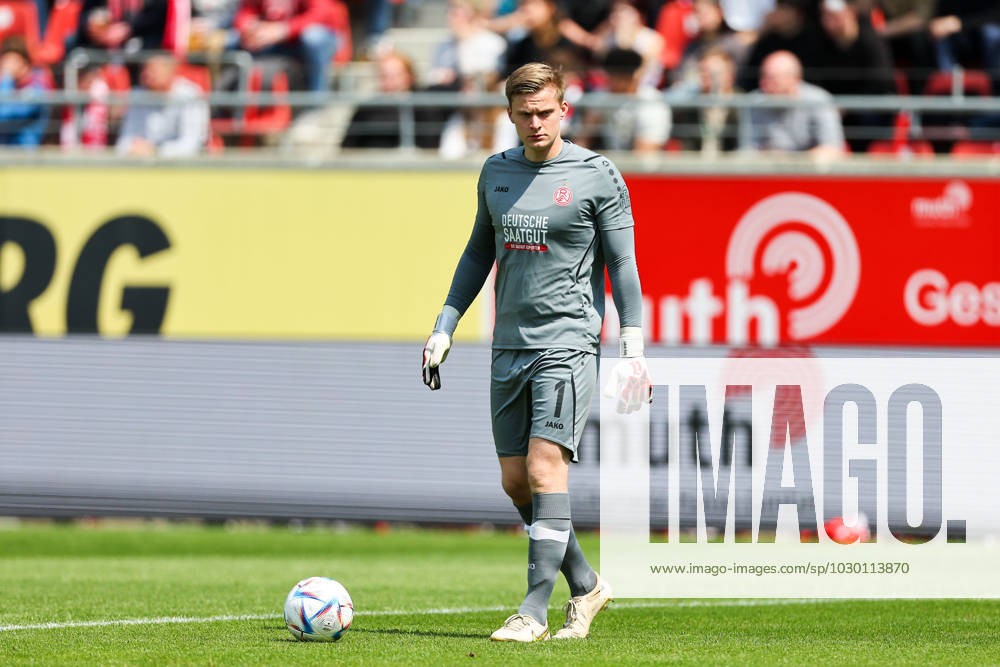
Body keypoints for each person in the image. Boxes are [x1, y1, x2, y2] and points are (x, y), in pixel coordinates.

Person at [421, 61, 652, 642]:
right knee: (517, 481)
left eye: (546, 112)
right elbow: (478, 253)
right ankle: (589, 586)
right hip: (509, 343)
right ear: (510, 115)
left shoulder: (598, 174)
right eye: (525, 114)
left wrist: (633, 344)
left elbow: (622, 263)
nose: (536, 122)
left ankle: (532, 611)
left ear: (564, 110)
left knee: (547, 468)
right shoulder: (495, 172)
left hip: (569, 342)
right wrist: (445, 325)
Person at [741, 49, 845, 159]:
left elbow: (833, 148)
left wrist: (792, 162)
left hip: (810, 173)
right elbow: (747, 150)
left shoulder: (819, 100)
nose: (765, 85)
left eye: (774, 80)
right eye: (763, 78)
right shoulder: (754, 102)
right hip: (766, 172)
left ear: (795, 79)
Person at [233, 0, 348, 92]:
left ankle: (317, 99)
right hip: (274, 40)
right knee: (233, 40)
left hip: (314, 38)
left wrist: (285, 30)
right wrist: (249, 27)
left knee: (313, 37)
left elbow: (321, 13)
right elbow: (245, 11)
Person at [340, 50, 446, 149]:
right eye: (384, 75)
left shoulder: (424, 105)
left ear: (409, 76)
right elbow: (349, 146)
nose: (390, 81)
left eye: (395, 75)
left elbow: (430, 145)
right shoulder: (367, 108)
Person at [576, 47, 672, 154]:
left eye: (619, 75)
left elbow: (645, 153)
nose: (612, 80)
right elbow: (583, 141)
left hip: (642, 167)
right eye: (610, 74)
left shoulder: (651, 102)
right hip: (609, 163)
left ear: (635, 75)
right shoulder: (601, 97)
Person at [116, 54, 210, 157]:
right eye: (144, 69)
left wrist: (156, 151)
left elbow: (191, 144)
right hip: (143, 165)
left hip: (184, 167)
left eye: (153, 70)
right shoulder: (137, 96)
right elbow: (124, 141)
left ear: (171, 72)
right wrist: (133, 148)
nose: (146, 74)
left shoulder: (190, 95)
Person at [667, 46, 742, 154]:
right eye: (702, 71)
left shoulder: (742, 104)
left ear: (729, 75)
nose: (705, 76)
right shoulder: (690, 103)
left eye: (713, 73)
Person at [0, 36, 51, 147]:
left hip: (25, 154)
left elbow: (4, 115)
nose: (7, 66)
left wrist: (7, 78)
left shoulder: (37, 87)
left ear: (25, 63)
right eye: (5, 61)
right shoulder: (9, 86)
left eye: (12, 61)